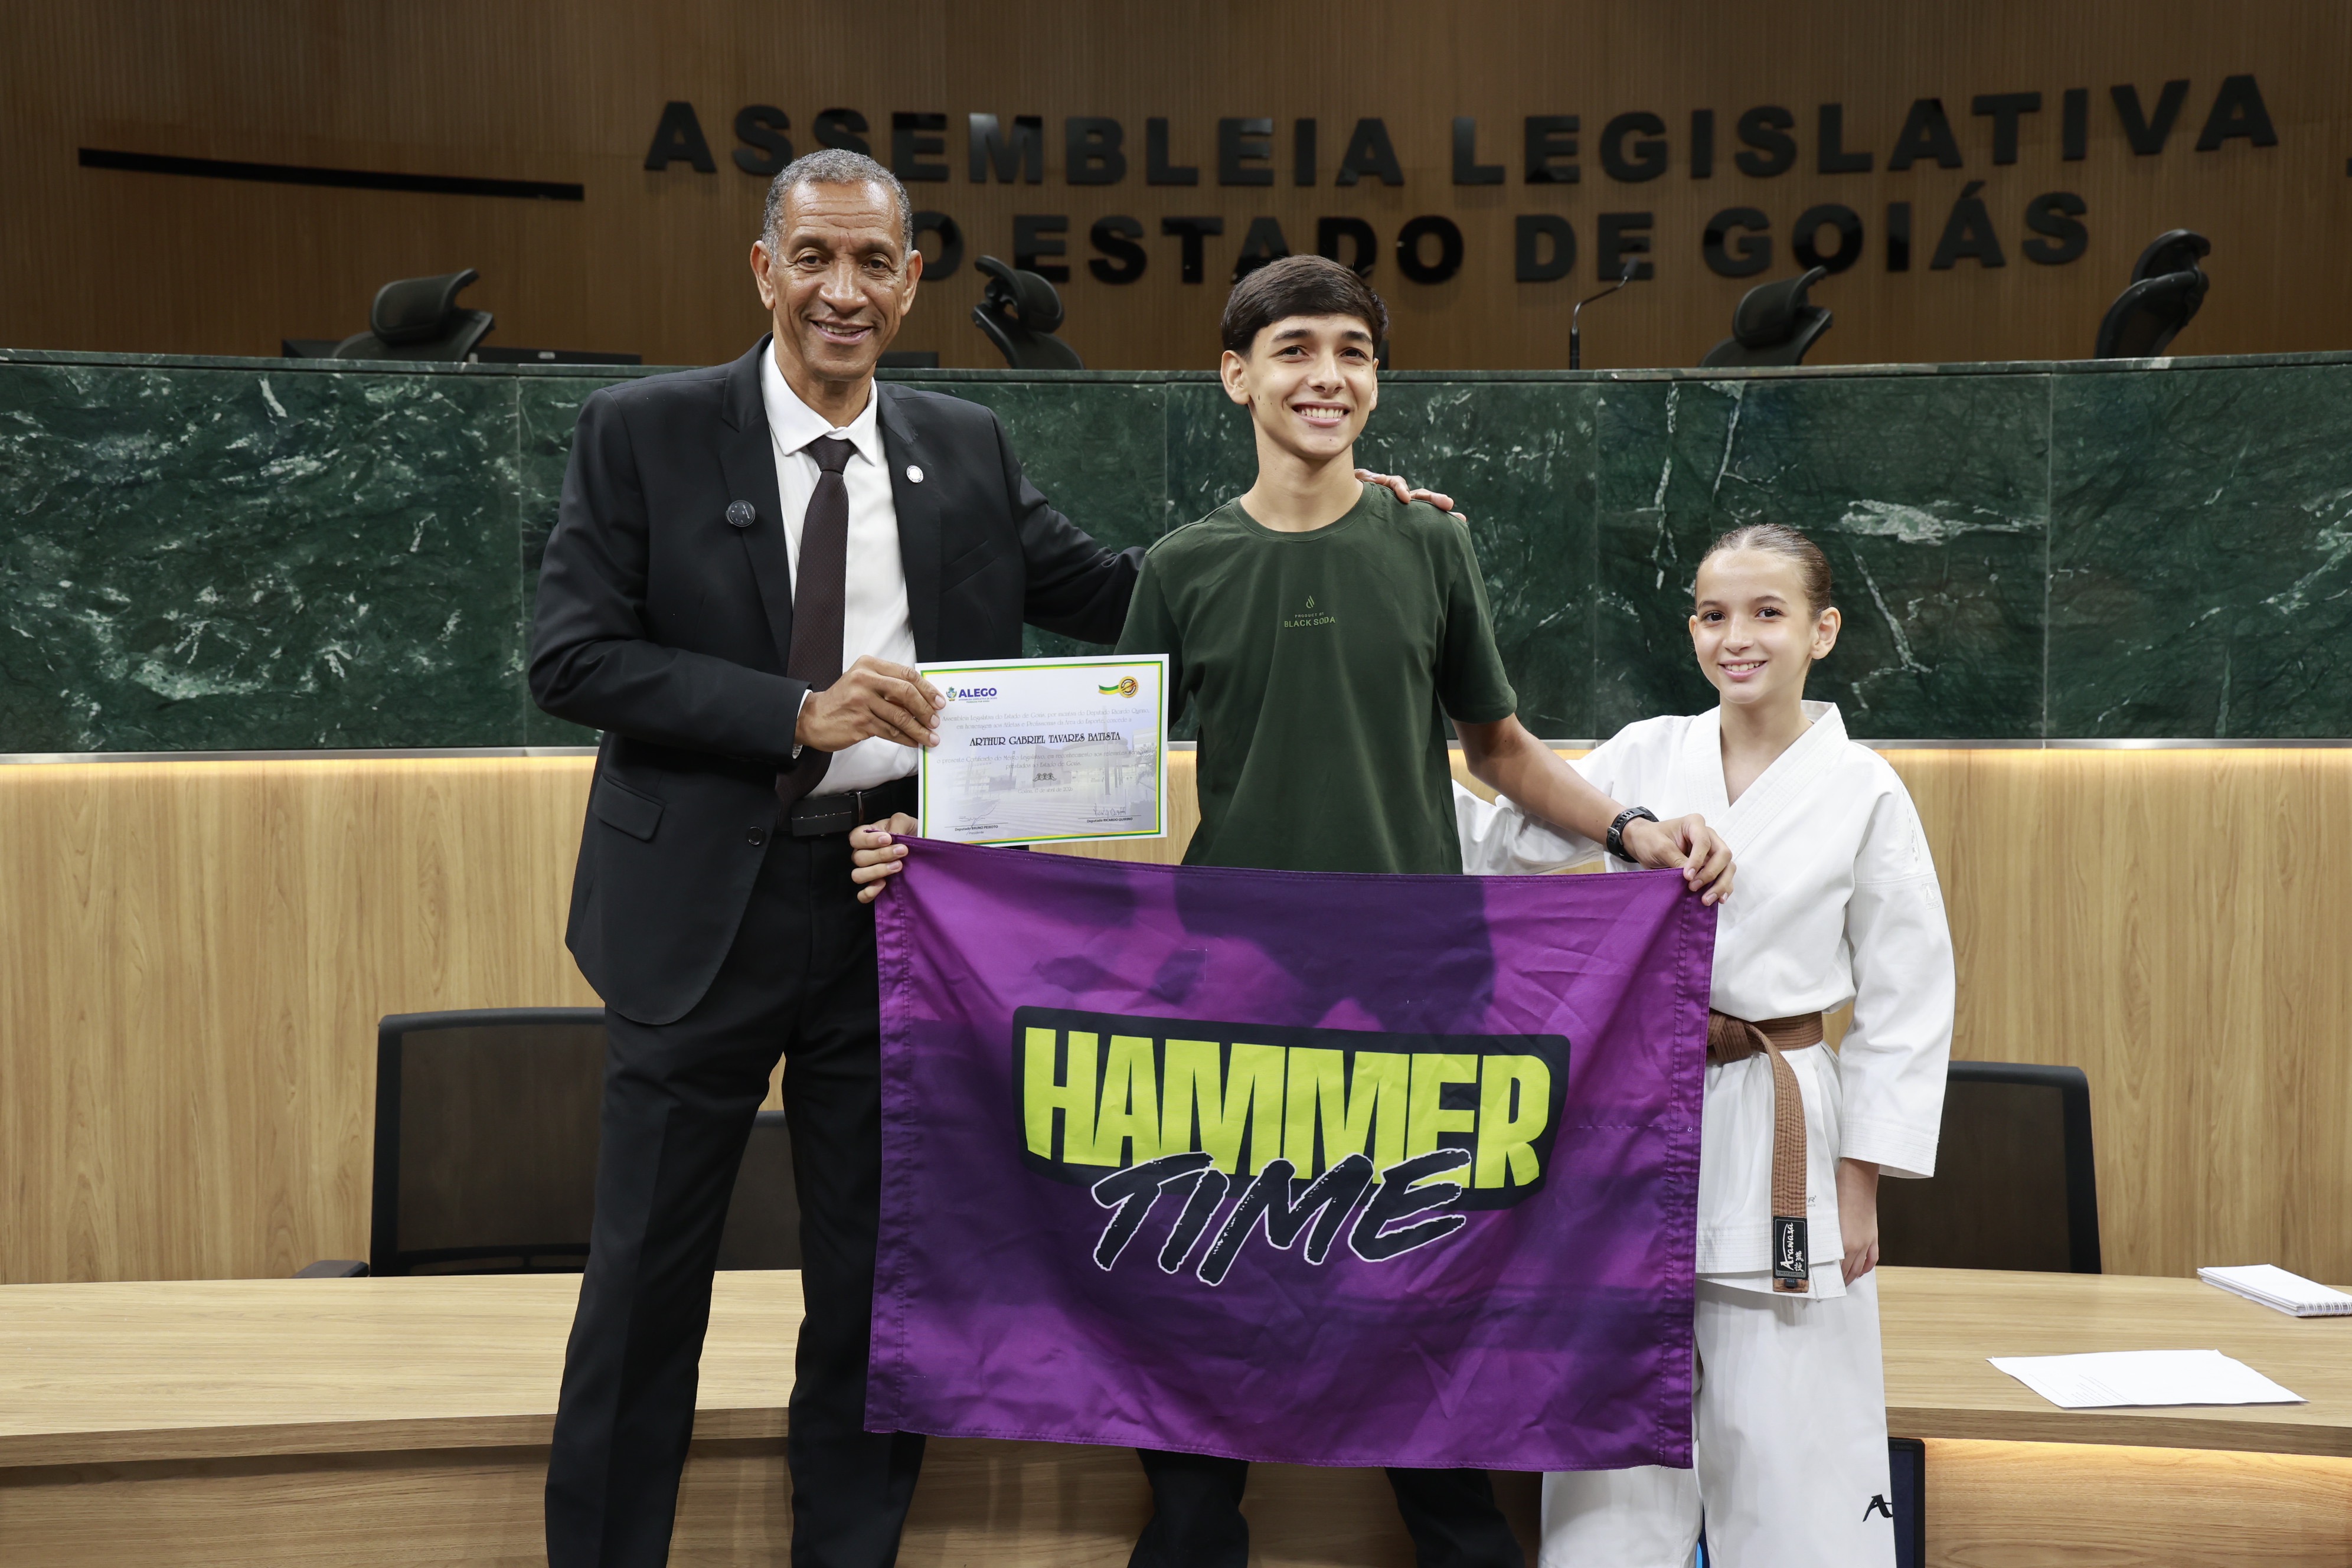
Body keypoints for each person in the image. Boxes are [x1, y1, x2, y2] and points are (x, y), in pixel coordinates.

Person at [531, 151, 1461, 1568]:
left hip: (899, 904)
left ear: (911, 283)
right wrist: (795, 711)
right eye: (814, 257)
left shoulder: (963, 444)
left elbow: (1138, 593)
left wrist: (1328, 505)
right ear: (765, 269)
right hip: (693, 917)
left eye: (873, 262)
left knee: (872, 1289)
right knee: (646, 1282)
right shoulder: (642, 430)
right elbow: (573, 656)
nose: (842, 290)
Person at [854, 253, 1734, 1568]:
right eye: (1295, 350)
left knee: (1428, 1274)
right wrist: (936, 854)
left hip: (1423, 984)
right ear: (1237, 376)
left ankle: (1458, 1538)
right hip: (1234, 993)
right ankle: (1193, 1531)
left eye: (1352, 352)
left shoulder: (1431, 540)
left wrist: (1629, 830)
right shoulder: (1185, 565)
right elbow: (1095, 766)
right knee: (1200, 1276)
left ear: (1377, 379)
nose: (1327, 376)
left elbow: (1498, 747)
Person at [1452, 523, 1955, 1568]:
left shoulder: (1863, 787)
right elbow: (1504, 844)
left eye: (1768, 614)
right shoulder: (1645, 755)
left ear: (1823, 631)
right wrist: (1389, 746)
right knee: (1610, 1434)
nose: (1738, 638)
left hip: (1779, 1115)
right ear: (1691, 630)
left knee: (1792, 1449)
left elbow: (1908, 998)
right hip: (1632, 1111)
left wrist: (1861, 1179)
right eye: (1715, 615)